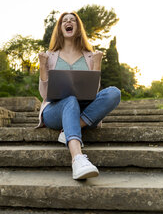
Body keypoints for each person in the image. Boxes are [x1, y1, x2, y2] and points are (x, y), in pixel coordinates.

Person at [37, 12, 121, 180]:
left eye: (73, 20)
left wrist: (97, 63)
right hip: (55, 110)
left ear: (78, 27)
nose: (69, 22)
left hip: (82, 107)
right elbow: (45, 94)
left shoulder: (89, 55)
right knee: (70, 99)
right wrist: (42, 65)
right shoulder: (50, 55)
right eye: (65, 21)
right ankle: (77, 159)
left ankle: (72, 127)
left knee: (114, 92)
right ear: (60, 29)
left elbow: (93, 91)